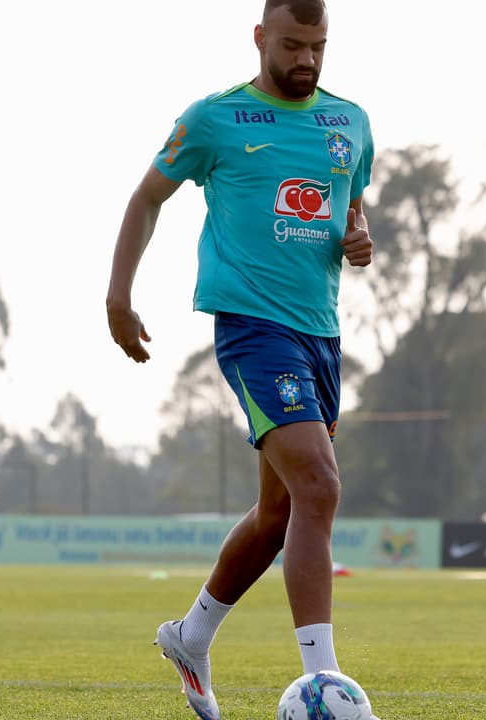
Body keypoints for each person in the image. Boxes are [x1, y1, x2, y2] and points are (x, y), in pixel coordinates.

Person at [106, 1, 373, 717]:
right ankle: (323, 682)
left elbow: (350, 209)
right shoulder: (215, 119)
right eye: (292, 45)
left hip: (321, 336)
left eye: (317, 47)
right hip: (253, 330)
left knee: (279, 511)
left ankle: (190, 635)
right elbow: (146, 198)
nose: (306, 60)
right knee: (319, 486)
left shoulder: (351, 122)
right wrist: (118, 296)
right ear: (260, 38)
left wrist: (360, 238)